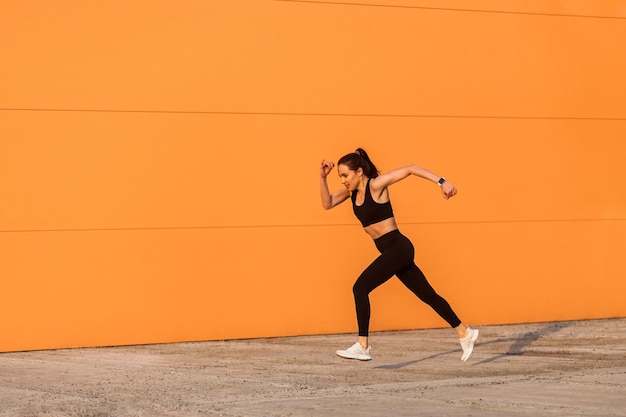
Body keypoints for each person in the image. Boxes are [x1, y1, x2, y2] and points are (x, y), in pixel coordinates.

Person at [319, 148, 478, 362]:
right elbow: (327, 203)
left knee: (360, 288)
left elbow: (410, 168)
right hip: (389, 251)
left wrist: (443, 182)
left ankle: (362, 345)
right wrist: (322, 178)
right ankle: (464, 333)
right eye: (340, 176)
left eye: (345, 175)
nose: (343, 180)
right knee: (427, 295)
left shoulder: (376, 185)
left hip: (398, 247)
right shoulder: (351, 192)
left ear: (359, 172)